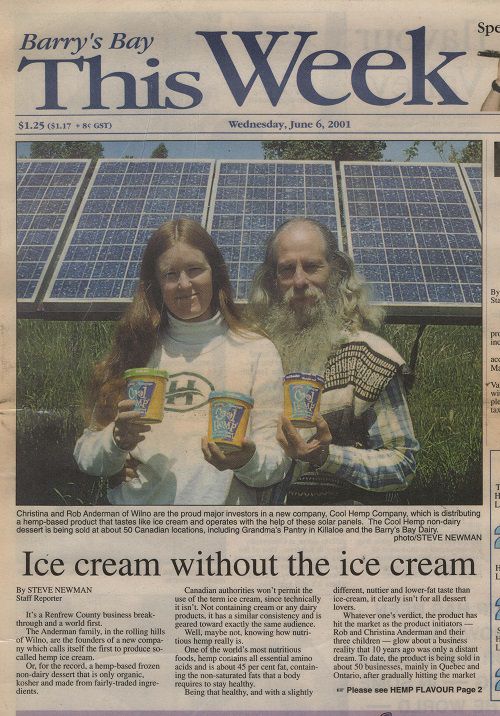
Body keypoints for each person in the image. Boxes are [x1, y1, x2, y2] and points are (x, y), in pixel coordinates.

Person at [74, 218, 288, 505]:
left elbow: (275, 465)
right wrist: (116, 441)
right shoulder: (137, 345)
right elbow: (86, 456)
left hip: (219, 539)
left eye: (195, 270)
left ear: (215, 273)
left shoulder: (257, 351)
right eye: (170, 274)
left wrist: (245, 461)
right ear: (156, 283)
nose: (184, 284)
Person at [248, 217, 419, 505]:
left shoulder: (370, 357)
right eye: (287, 269)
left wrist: (327, 456)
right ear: (273, 282)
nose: (300, 281)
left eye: (312, 267)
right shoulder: (256, 355)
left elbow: (402, 464)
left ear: (336, 272)